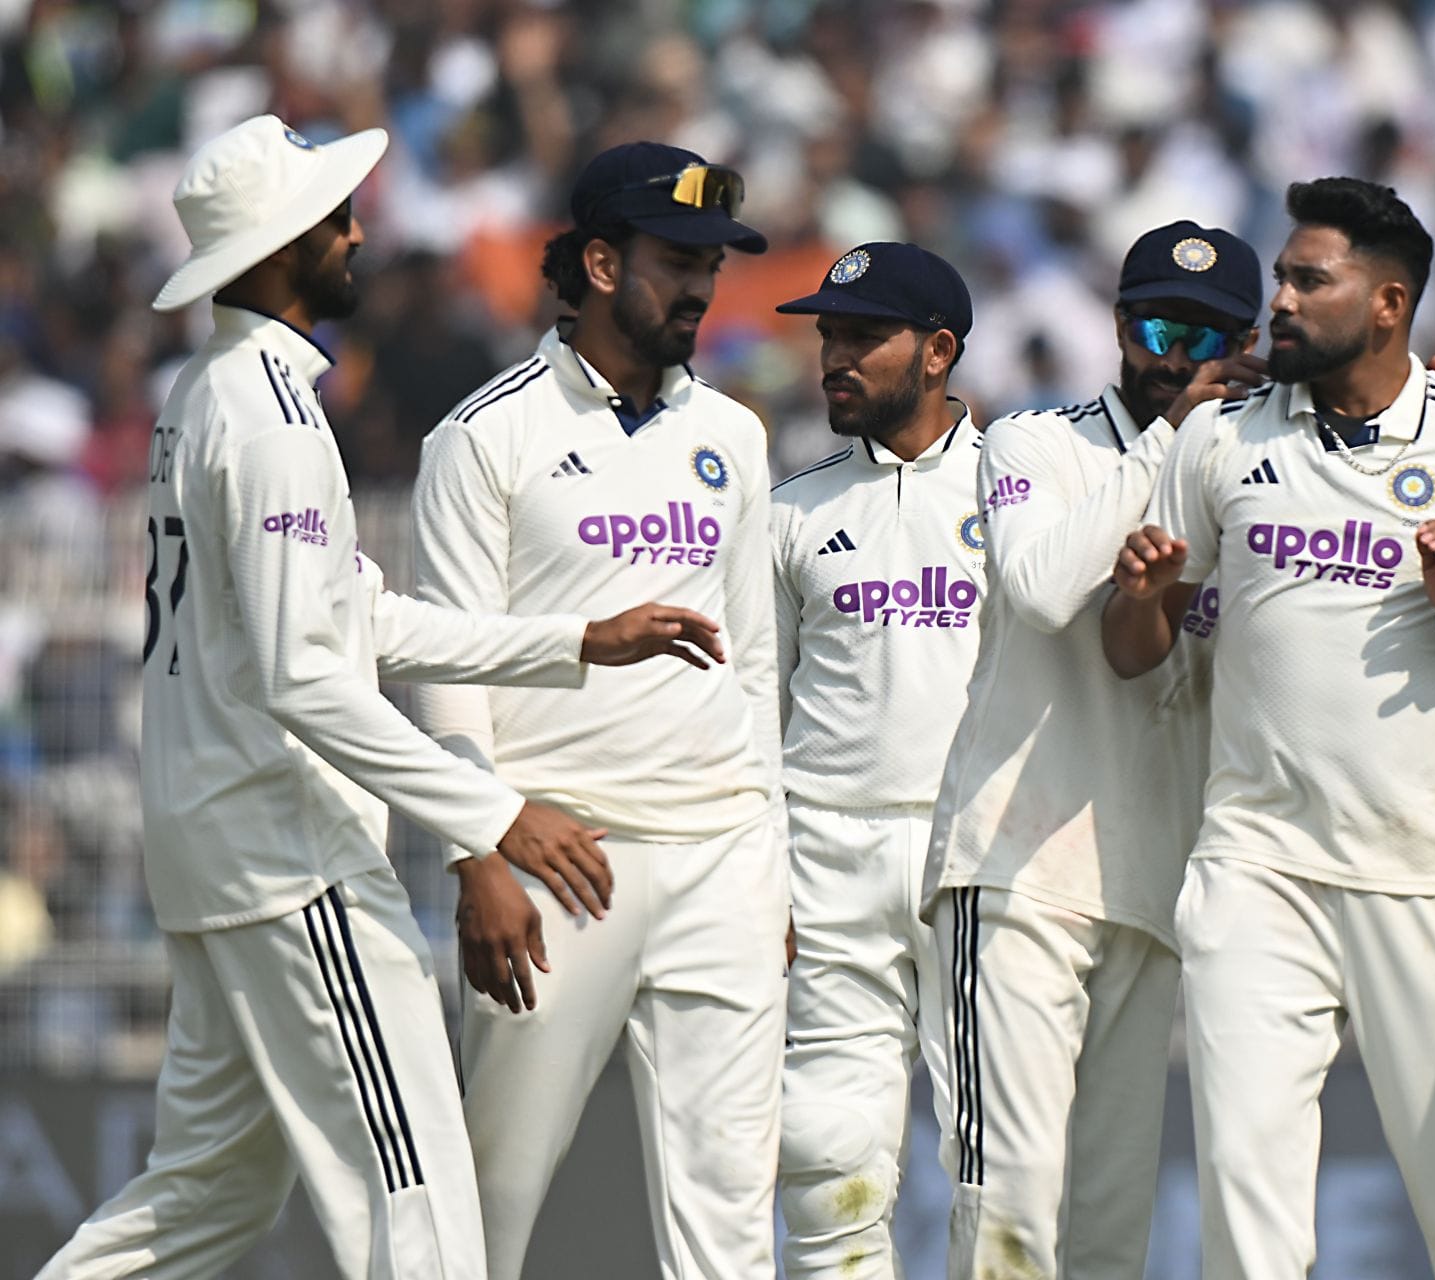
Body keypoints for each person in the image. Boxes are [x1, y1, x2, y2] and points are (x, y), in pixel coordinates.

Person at [39, 115, 713, 1280]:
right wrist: (492, 819)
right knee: (421, 1206)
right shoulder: (272, 417)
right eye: (334, 218)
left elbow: (357, 622)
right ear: (280, 248)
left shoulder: (210, 395)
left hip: (222, 851)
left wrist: (576, 638)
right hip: (290, 853)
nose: (357, 232)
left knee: (205, 1199)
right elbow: (309, 675)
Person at [1102, 177, 1435, 1280]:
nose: (1274, 299)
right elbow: (1133, 647)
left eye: (1304, 278)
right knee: (1249, 1216)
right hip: (1256, 868)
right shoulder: (1218, 438)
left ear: (1388, 304)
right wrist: (1140, 593)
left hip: (1426, 878)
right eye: (1281, 276)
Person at [408, 141, 787, 1279]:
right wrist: (478, 852)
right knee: (496, 1190)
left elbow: (756, 666)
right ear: (605, 264)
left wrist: (768, 858)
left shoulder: (734, 434)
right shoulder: (487, 434)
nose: (704, 287)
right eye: (681, 259)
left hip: (721, 850)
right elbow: (446, 661)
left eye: (713, 263)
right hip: (560, 854)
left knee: (729, 1207)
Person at [922, 219, 1261, 1278]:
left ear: (1246, 343)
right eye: (1160, 326)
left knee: (1110, 1230)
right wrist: (1173, 442)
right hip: (1017, 869)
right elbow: (1037, 587)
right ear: (1119, 325)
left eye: (1208, 338)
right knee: (1011, 1209)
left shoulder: (1255, 479)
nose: (1179, 358)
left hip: (1149, 885)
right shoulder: (1037, 440)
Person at [766, 242, 978, 1278]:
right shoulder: (791, 510)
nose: (834, 357)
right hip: (827, 856)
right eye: (829, 336)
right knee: (827, 1155)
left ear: (937, 351)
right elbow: (752, 713)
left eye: (863, 337)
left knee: (998, 1165)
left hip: (978, 855)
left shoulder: (1021, 490)